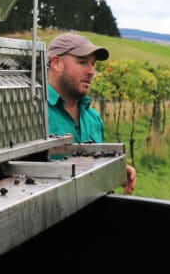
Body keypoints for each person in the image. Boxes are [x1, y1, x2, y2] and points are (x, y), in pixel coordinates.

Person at [45, 32, 137, 194]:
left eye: (93, 64)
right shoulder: (35, 115)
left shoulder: (93, 118)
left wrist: (112, 172)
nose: (91, 71)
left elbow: (93, 167)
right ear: (56, 63)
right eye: (82, 62)